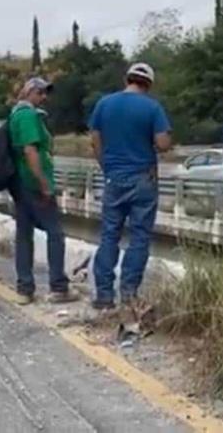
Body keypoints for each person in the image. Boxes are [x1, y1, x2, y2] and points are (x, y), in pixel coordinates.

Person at [87, 63, 171, 309]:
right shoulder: (153, 107)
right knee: (139, 238)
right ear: (149, 84)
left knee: (109, 235)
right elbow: (163, 143)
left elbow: (95, 140)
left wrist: (108, 168)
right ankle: (129, 294)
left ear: (127, 79)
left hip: (114, 179)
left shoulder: (104, 104)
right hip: (143, 180)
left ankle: (104, 295)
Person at [9, 77, 77, 305]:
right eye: (40, 92)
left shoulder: (15, 114)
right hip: (34, 184)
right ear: (28, 92)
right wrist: (44, 183)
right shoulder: (27, 116)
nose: (43, 97)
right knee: (56, 233)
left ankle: (24, 288)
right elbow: (30, 151)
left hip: (20, 184)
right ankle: (58, 287)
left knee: (24, 235)